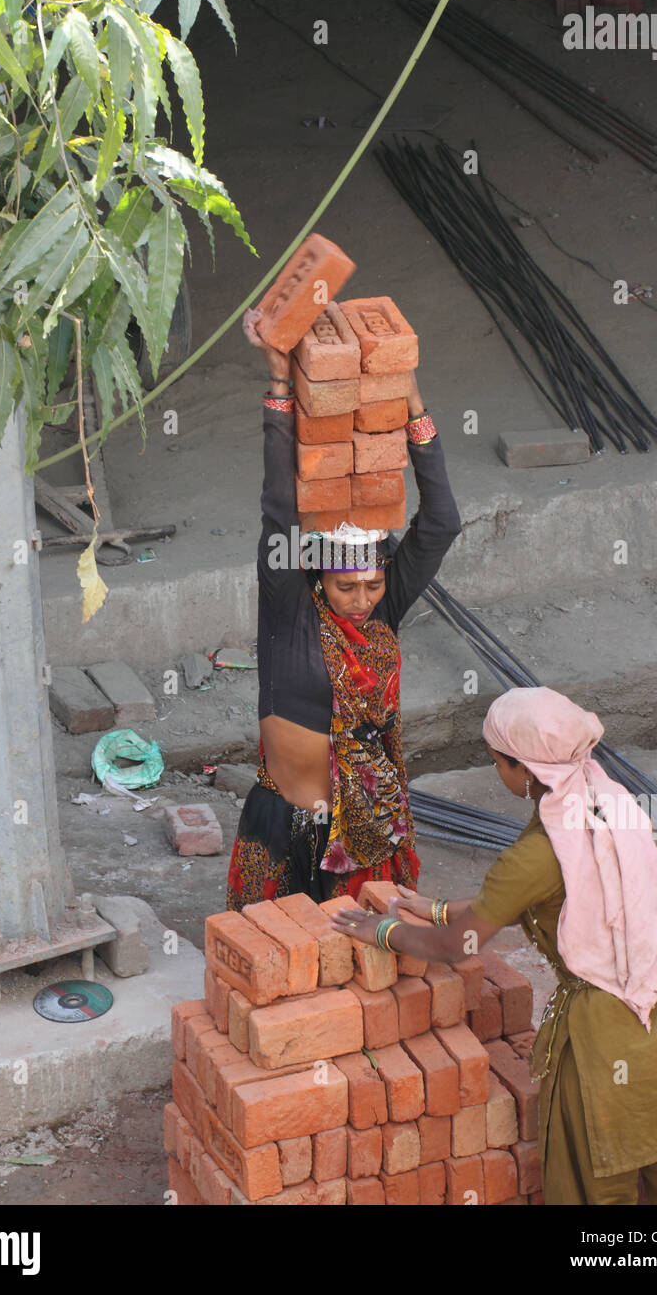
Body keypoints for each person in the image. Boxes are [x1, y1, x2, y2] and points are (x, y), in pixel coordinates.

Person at [331, 686, 657, 1205]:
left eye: (497, 762)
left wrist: (385, 932)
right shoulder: (604, 797)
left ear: (522, 768)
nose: (497, 773)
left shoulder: (535, 853)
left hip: (607, 1039)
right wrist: (435, 907)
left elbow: (461, 946)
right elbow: (566, 894)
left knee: (598, 1192)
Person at [226, 305, 461, 909]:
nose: (360, 602)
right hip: (286, 827)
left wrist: (410, 403)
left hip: (367, 823)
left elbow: (441, 523)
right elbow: (278, 509)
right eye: (345, 588)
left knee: (368, 975)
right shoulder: (289, 608)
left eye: (372, 585)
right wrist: (280, 384)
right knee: (280, 970)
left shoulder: (384, 607)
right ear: (316, 576)